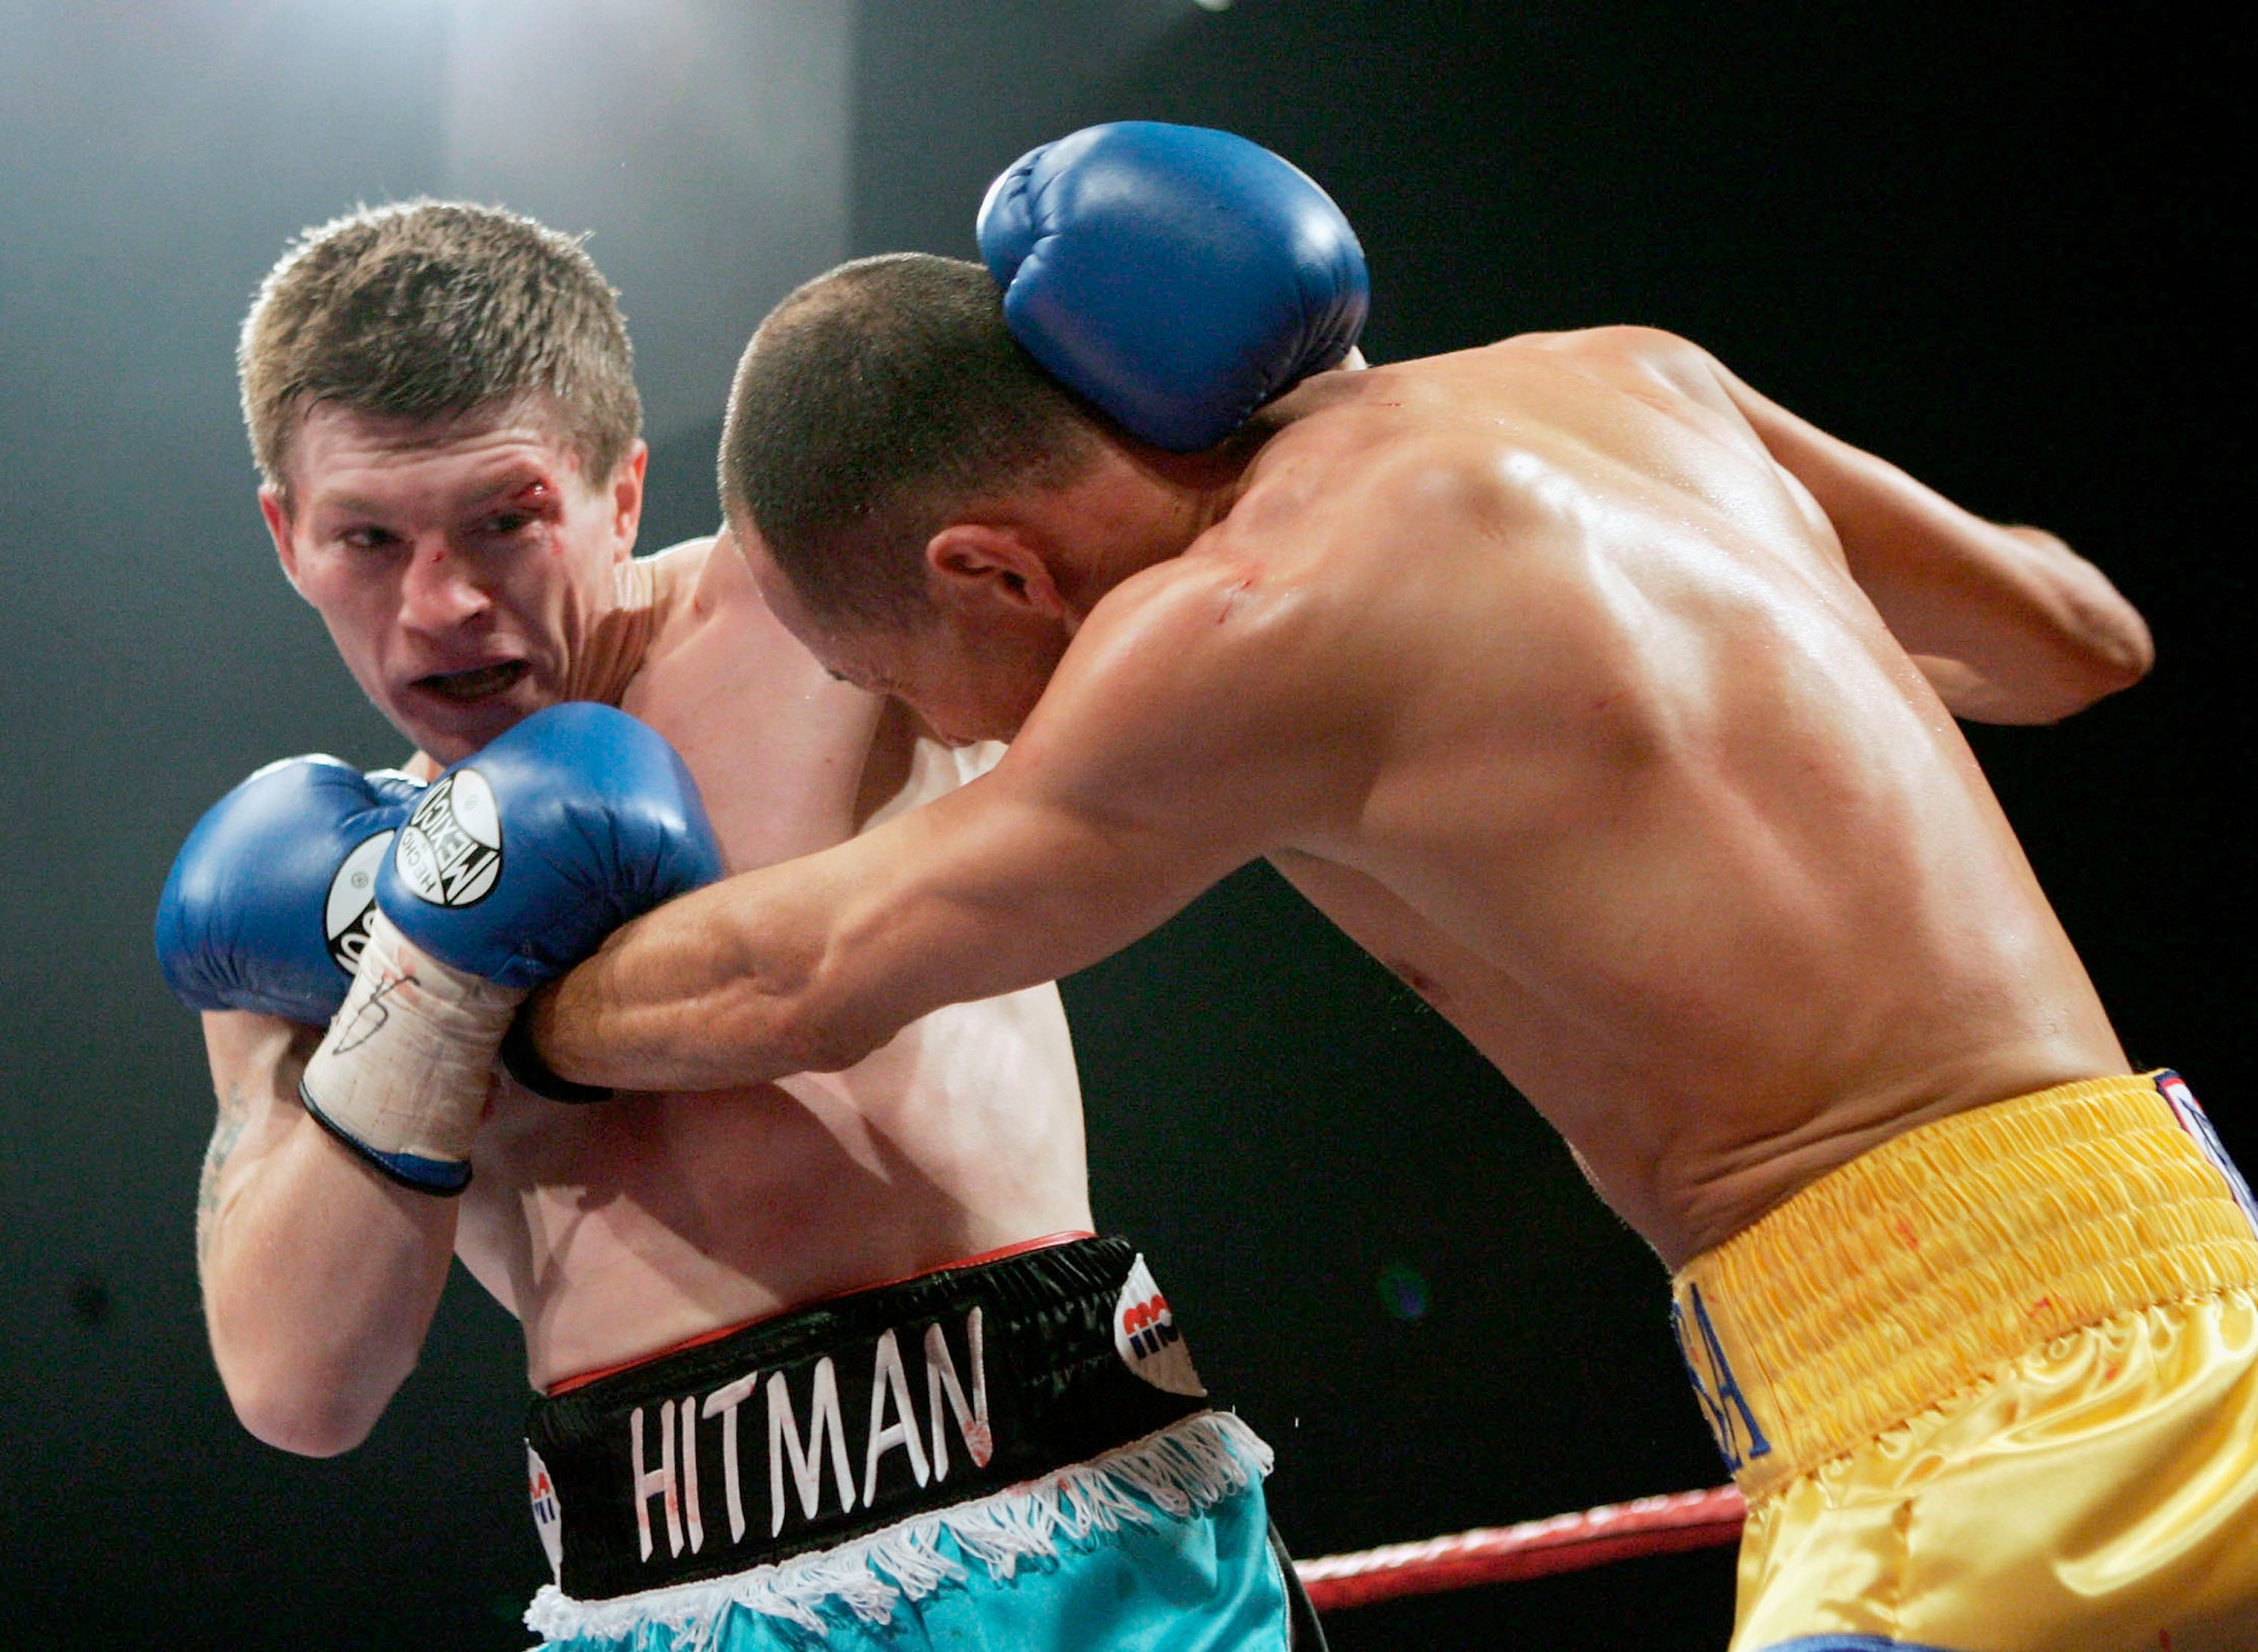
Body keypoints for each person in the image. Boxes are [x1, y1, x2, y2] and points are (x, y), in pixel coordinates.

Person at [515, 128, 2258, 1650]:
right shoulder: (1638, 383)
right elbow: (2079, 641)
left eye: (877, 671)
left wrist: (450, 969)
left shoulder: (1236, 627)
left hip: (1976, 1423)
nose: (907, 722)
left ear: (986, 569)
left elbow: (806, 973)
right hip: (2200, 1256)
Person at [157, 196, 1328, 1650]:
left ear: (622, 489)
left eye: (505, 520)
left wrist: (1305, 381)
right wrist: (427, 963)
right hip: (665, 1592)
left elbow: (1255, 588)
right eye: (368, 540)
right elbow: (298, 1389)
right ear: (286, 535)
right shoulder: (305, 900)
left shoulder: (812, 604)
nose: (442, 602)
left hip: (1062, 1523)